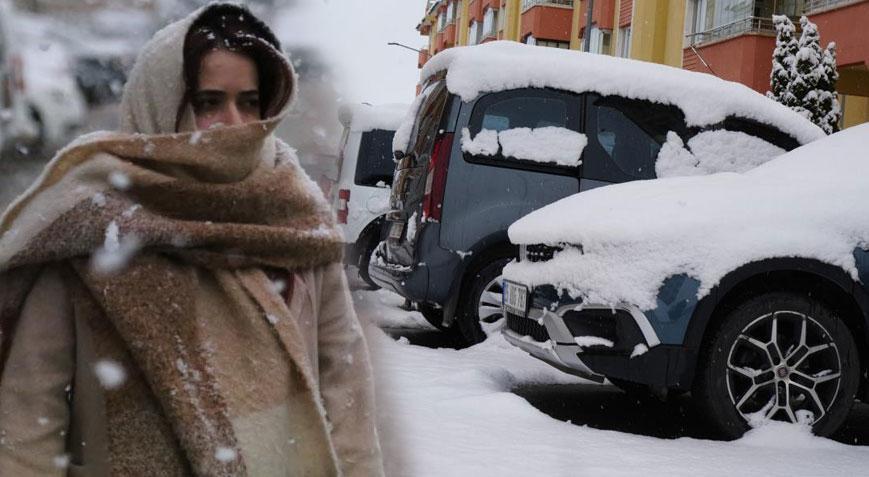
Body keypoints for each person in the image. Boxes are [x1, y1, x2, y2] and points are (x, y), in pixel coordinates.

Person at [0, 3, 384, 476]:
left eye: (249, 101)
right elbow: (27, 423)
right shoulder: (91, 222)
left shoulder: (295, 215)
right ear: (161, 104)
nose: (235, 122)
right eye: (208, 102)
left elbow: (345, 387)